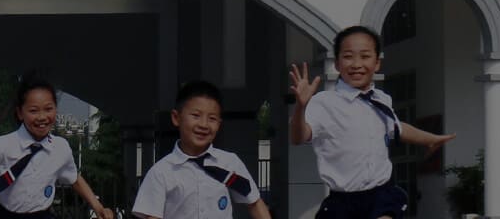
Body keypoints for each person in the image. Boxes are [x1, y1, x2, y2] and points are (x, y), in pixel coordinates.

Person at [286, 25, 455, 219]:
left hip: (380, 194)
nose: (356, 64)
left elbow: (397, 127)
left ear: (377, 63)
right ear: (337, 64)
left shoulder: (381, 99)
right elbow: (299, 137)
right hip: (343, 201)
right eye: (348, 56)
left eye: (365, 56)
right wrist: (300, 107)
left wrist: (430, 139)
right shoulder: (325, 102)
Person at [0, 74, 114, 219]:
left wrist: (98, 207)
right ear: (20, 113)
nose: (42, 117)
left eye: (48, 109)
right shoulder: (2, 145)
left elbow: (75, 179)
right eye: (34, 111)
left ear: (55, 110)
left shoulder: (60, 147)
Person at [130, 80, 272, 219]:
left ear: (219, 124)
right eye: (195, 116)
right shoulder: (161, 172)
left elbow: (254, 202)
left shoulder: (229, 163)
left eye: (212, 118)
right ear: (176, 118)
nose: (204, 125)